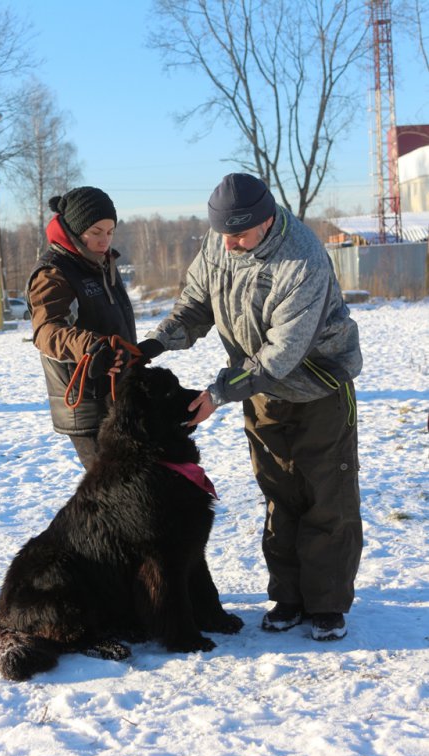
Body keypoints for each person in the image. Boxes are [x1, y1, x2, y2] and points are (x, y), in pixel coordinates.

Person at [138, 173, 364, 642]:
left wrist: (217, 394)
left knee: (327, 497)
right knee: (279, 494)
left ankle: (326, 605)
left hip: (318, 384)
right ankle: (289, 597)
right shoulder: (222, 246)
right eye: (223, 233)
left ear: (265, 220)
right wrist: (155, 344)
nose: (229, 243)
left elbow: (282, 354)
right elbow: (194, 305)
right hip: (257, 389)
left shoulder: (302, 259)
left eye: (238, 233)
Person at [27, 186, 137, 469]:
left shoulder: (102, 263)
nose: (105, 240)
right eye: (96, 232)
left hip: (117, 393)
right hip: (86, 402)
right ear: (76, 230)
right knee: (114, 493)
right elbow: (46, 331)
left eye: (110, 231)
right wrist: (91, 347)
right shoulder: (53, 271)